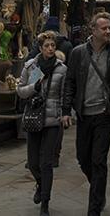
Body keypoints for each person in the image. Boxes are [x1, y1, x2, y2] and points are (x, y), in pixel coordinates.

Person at [62, 12, 110, 216]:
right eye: (104, 28)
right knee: (83, 158)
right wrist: (66, 110)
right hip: (84, 114)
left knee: (99, 159)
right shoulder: (78, 53)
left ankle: (94, 208)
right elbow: (70, 81)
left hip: (104, 114)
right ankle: (98, 189)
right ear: (93, 31)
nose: (108, 31)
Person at [17, 30, 67, 216]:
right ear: (40, 48)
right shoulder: (31, 67)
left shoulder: (61, 69)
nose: (50, 48)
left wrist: (65, 114)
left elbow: (64, 94)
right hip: (34, 117)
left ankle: (45, 201)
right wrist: (34, 88)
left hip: (52, 119)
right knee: (32, 162)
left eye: (53, 45)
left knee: (46, 162)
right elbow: (21, 90)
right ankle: (40, 183)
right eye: (47, 46)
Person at [27, 16, 73, 167]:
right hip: (59, 86)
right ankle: (54, 156)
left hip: (44, 86)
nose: (50, 48)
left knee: (43, 121)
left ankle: (41, 156)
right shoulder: (67, 44)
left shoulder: (39, 45)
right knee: (56, 122)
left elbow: (29, 59)